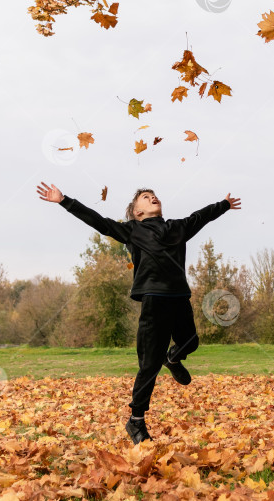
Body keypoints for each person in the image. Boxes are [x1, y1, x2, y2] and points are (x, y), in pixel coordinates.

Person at [36, 182, 241, 444]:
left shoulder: (177, 228)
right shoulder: (134, 231)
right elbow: (100, 222)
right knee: (149, 366)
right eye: (146, 197)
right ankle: (136, 422)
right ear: (137, 212)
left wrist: (223, 205)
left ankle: (174, 359)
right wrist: (65, 201)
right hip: (154, 301)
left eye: (154, 195)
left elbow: (200, 217)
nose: (152, 197)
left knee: (191, 342)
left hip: (179, 297)